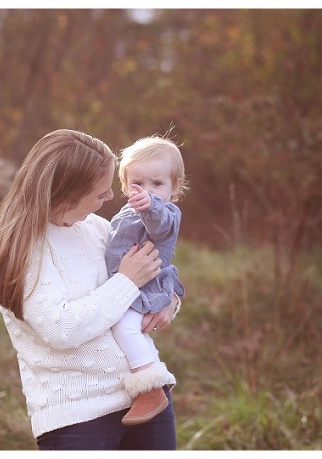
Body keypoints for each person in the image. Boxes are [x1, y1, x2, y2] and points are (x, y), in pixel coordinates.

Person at [0, 129, 180, 450]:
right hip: (78, 417)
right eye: (99, 194)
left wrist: (171, 299)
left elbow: (154, 264)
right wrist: (127, 281)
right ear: (64, 194)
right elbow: (61, 329)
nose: (110, 199)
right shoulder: (23, 249)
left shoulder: (98, 228)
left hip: (146, 395)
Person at [105, 136, 187, 426]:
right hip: (128, 284)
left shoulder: (166, 212)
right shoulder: (124, 212)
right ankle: (156, 377)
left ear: (174, 187)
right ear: (126, 185)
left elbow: (158, 223)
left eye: (157, 184)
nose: (147, 190)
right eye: (138, 183)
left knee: (124, 326)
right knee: (134, 331)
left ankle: (149, 390)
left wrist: (150, 204)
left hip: (145, 286)